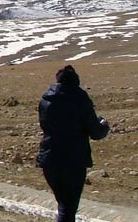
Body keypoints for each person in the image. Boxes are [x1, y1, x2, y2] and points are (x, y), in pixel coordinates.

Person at [36, 65, 109, 222]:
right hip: (73, 160)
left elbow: (46, 126)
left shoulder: (46, 100)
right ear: (76, 81)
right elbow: (95, 132)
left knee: (64, 204)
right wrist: (104, 125)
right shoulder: (80, 99)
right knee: (68, 207)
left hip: (50, 158)